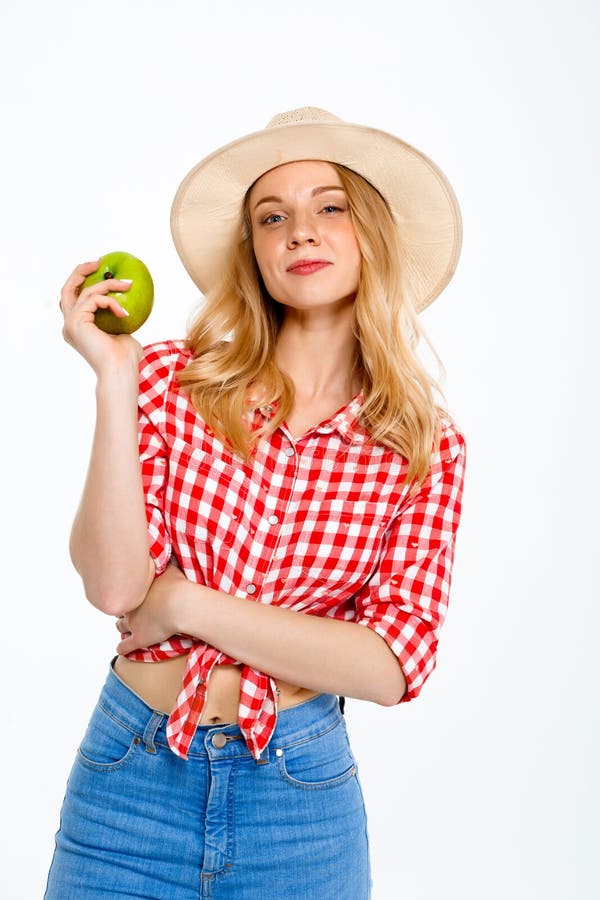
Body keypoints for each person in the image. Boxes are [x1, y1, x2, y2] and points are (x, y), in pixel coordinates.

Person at [45, 107, 467, 899]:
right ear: (255, 255)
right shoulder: (170, 382)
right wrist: (115, 379)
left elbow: (388, 665)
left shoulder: (422, 444)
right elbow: (113, 587)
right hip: (128, 786)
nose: (299, 232)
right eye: (273, 218)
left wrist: (188, 604)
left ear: (371, 235)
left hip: (299, 806)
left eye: (328, 207)